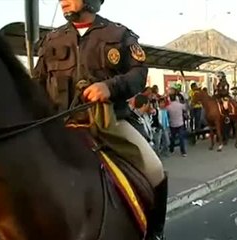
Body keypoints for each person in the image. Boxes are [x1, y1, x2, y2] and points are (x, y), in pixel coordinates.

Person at [32, 0, 167, 238]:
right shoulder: (51, 40)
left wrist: (110, 87)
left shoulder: (119, 34)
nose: (62, 1)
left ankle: (155, 233)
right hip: (58, 128)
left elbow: (139, 74)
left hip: (111, 124)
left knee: (155, 170)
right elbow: (35, 85)